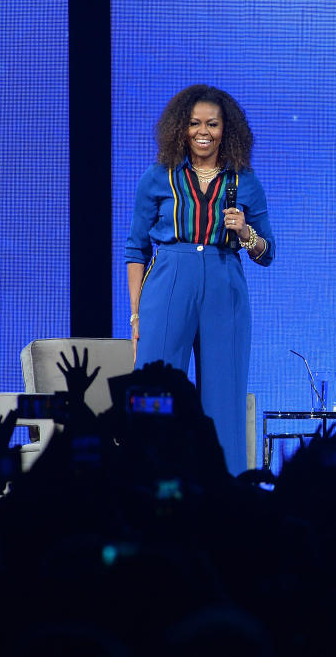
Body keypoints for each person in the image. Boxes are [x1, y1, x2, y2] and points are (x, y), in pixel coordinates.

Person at [125, 85, 275, 475]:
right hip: (169, 280)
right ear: (180, 128)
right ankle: (147, 486)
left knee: (224, 398)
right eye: (194, 124)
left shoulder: (244, 181)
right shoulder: (158, 177)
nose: (202, 131)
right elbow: (136, 249)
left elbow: (267, 252)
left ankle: (225, 501)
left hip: (224, 283)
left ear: (228, 129)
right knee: (154, 393)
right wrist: (137, 314)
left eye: (212, 123)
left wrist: (245, 234)